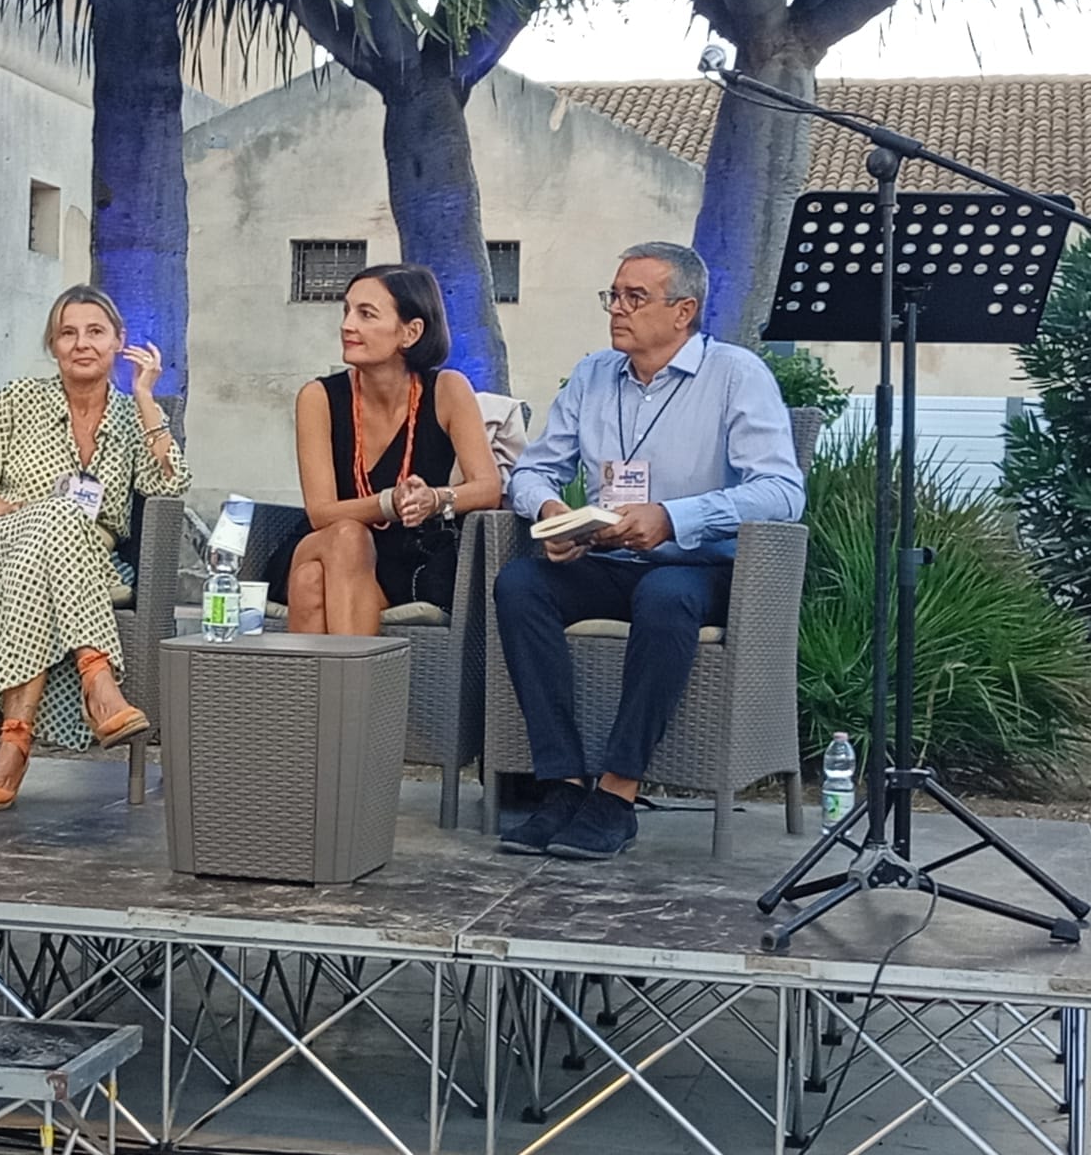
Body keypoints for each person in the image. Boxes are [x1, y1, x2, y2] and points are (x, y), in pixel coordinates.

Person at [494, 242, 805, 860]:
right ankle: (561, 784)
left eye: (635, 298)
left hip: (700, 564)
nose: (617, 309)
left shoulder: (736, 376)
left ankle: (617, 793)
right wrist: (554, 514)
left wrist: (673, 518)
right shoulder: (592, 375)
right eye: (613, 295)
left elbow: (782, 491)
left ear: (683, 311)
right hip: (606, 558)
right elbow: (531, 473)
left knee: (665, 597)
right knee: (520, 586)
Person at [0, 284, 190, 813]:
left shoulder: (133, 417)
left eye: (95, 332)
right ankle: (98, 679)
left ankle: (14, 742)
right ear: (53, 345)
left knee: (56, 530)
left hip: (84, 558)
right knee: (55, 515)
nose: (82, 344)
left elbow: (170, 487)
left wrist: (149, 397)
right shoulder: (21, 399)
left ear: (118, 342)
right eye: (68, 333)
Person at [268, 264, 501, 634]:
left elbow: (488, 487)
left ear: (410, 332)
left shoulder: (448, 390)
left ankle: (317, 692)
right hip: (321, 541)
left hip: (403, 557)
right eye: (346, 311)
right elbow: (320, 513)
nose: (347, 325)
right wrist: (389, 503)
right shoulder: (318, 397)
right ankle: (356, 689)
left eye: (366, 314)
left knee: (311, 581)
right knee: (346, 535)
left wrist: (436, 499)